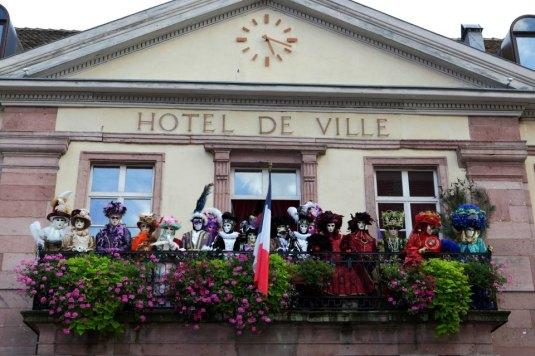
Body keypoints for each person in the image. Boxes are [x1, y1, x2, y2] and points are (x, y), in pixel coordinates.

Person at [337, 212, 375, 295]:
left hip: (368, 266)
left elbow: (374, 253)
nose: (361, 224)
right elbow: (344, 251)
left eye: (363, 223)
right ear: (356, 223)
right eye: (359, 222)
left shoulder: (371, 239)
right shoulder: (350, 237)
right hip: (354, 267)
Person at [182, 184, 213, 250]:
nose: (198, 224)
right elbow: (182, 250)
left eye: (200, 222)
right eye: (196, 222)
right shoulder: (186, 235)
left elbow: (209, 250)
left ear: (203, 223)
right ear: (192, 222)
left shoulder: (208, 235)